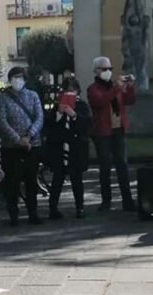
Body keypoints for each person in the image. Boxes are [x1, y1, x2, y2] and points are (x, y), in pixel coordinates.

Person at [87, 56, 136, 212]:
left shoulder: (115, 87)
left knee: (122, 165)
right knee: (105, 168)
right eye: (104, 69)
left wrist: (130, 87)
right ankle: (106, 201)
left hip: (118, 130)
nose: (108, 72)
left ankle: (127, 201)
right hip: (102, 132)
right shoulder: (93, 89)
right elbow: (100, 102)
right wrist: (116, 88)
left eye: (110, 69)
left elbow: (130, 100)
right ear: (96, 71)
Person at [0, 67, 44, 226]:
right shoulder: (3, 97)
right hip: (11, 147)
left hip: (32, 145)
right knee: (12, 182)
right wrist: (18, 139)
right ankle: (13, 215)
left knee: (31, 180)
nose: (18, 80)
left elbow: (39, 117)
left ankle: (33, 213)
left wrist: (29, 136)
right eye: (14, 77)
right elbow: (2, 121)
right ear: (10, 79)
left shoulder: (33, 96)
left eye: (20, 77)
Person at [46, 77, 92, 219]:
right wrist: (59, 113)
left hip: (75, 148)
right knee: (57, 179)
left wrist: (74, 115)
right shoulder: (57, 106)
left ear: (77, 91)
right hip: (60, 148)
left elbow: (86, 125)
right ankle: (53, 208)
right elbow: (50, 125)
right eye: (66, 91)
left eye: (72, 91)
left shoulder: (82, 106)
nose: (69, 94)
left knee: (76, 179)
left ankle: (80, 207)